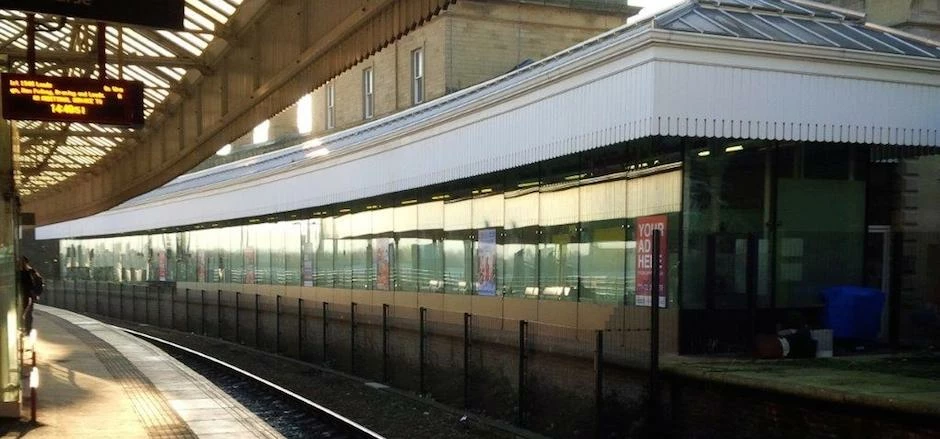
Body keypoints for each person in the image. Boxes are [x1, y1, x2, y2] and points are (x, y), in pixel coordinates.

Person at [19, 256, 42, 333]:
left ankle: (27, 329)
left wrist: (36, 293)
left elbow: (39, 282)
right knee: (26, 313)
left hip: (27, 295)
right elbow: (39, 282)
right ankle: (25, 329)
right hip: (27, 295)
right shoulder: (31, 272)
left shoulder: (29, 272)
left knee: (27, 313)